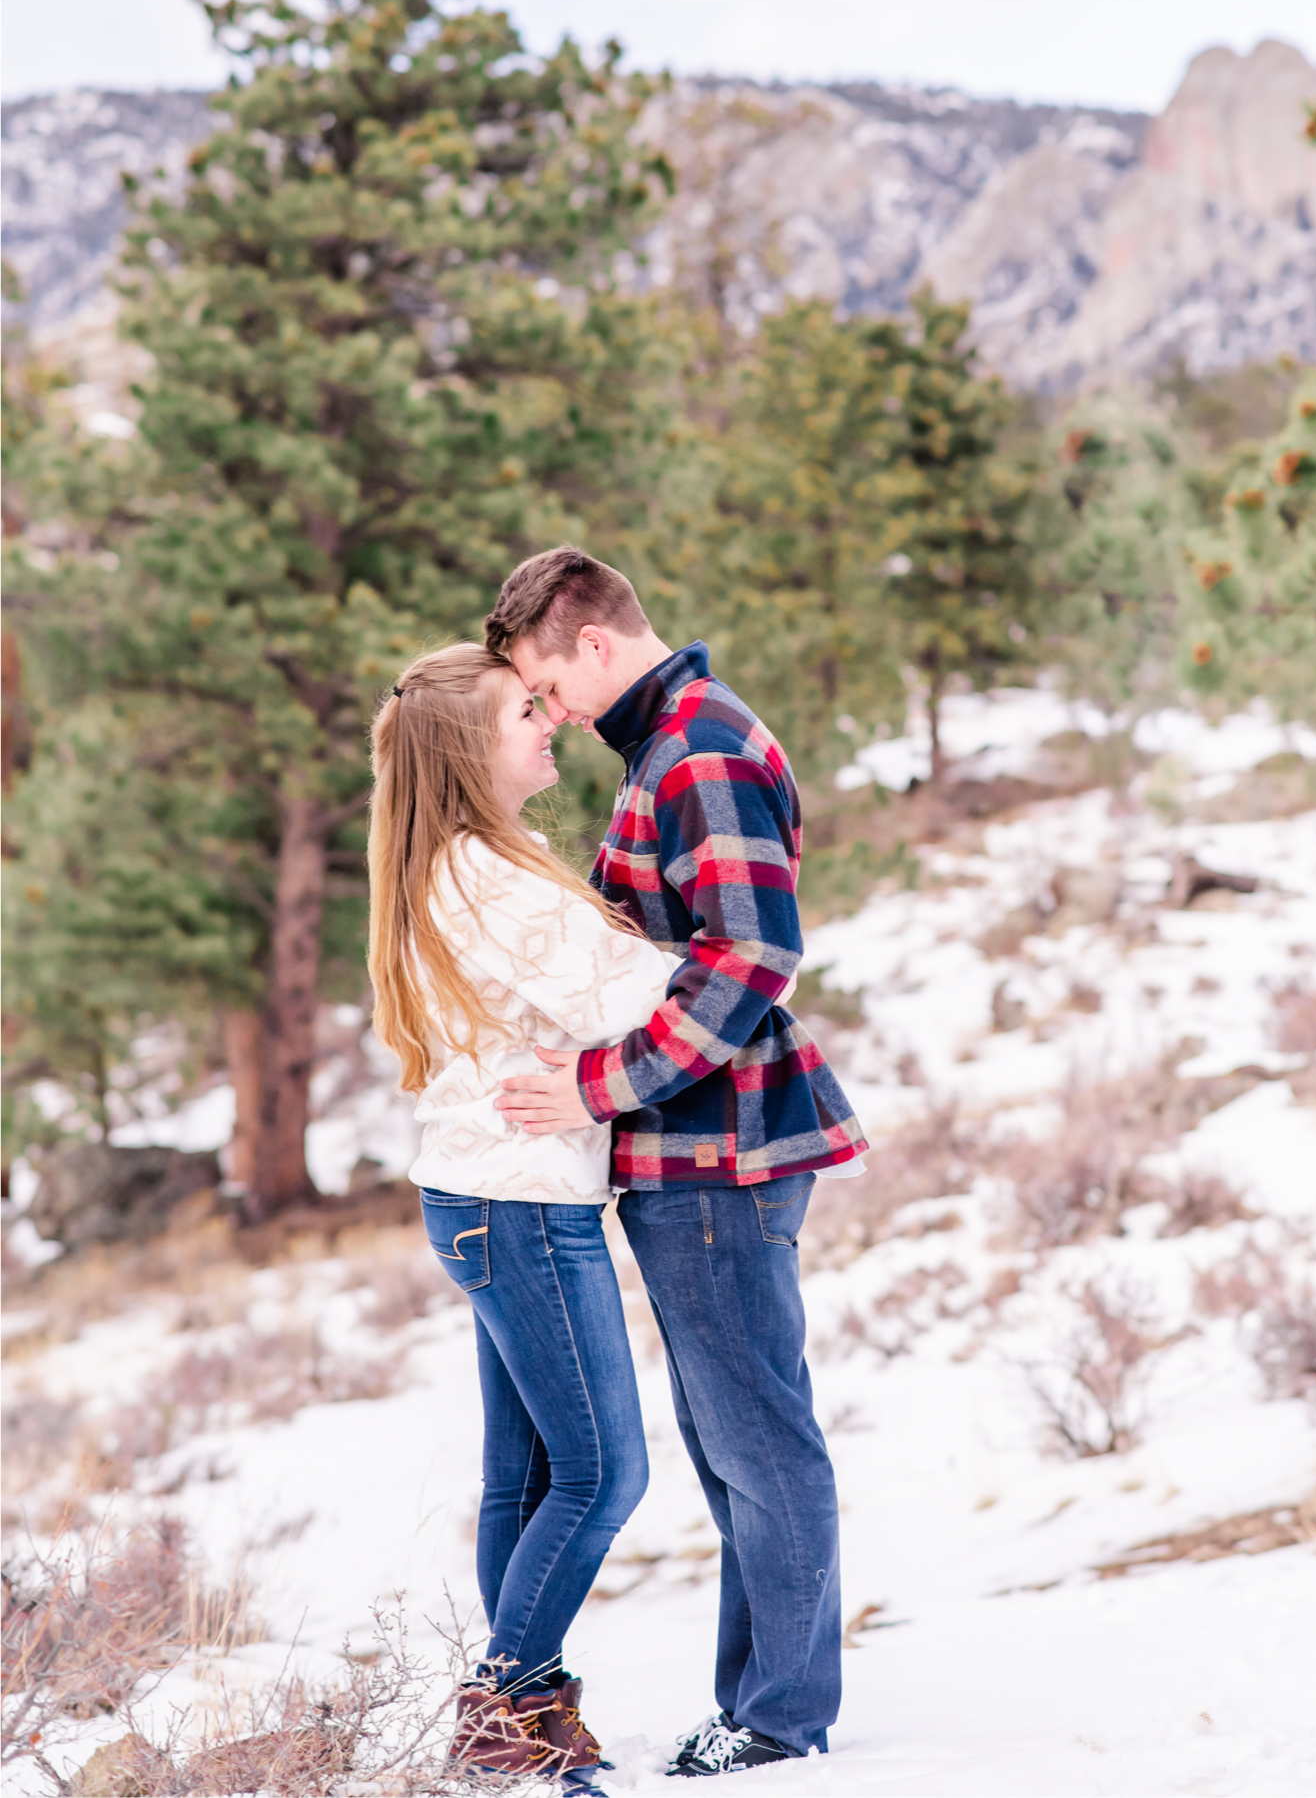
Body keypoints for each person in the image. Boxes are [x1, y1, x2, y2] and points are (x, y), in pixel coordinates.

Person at [485, 547, 869, 1779]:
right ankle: (763, 1701)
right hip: (692, 1145)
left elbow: (753, 957)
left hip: (718, 1148)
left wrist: (597, 1087)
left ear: (591, 640)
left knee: (755, 1436)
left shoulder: (695, 749)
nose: (552, 712)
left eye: (548, 684)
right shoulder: (665, 748)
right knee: (729, 1435)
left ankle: (780, 1716)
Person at [367, 642, 678, 1789]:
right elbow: (640, 993)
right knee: (602, 1475)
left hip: (479, 1195)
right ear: (467, 751)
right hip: (521, 1205)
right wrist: (726, 947)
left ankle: (529, 1716)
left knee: (530, 1478)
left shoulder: (464, 861)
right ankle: (501, 1706)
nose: (547, 721)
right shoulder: (488, 878)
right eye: (520, 714)